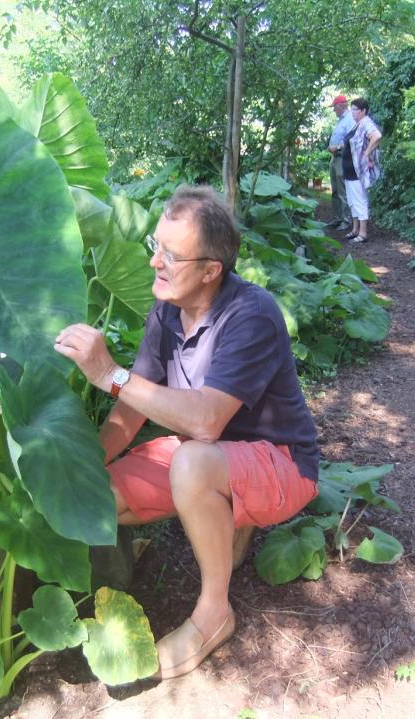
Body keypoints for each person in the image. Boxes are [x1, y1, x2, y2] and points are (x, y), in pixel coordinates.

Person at [54, 185, 320, 680]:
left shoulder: (251, 314)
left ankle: (213, 614)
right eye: (156, 246)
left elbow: (205, 421)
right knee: (101, 496)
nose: (155, 262)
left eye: (171, 255)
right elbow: (131, 412)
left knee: (193, 462)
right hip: (204, 454)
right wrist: (84, 471)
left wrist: (108, 374)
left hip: (279, 462)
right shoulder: (166, 309)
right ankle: (225, 522)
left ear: (210, 270)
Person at [341, 97, 382, 244]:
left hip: (358, 171)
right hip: (349, 171)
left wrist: (367, 154)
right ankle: (355, 229)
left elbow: (376, 136)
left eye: (355, 110)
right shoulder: (357, 125)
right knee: (352, 201)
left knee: (360, 200)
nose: (352, 112)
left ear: (364, 111)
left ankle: (363, 233)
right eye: (351, 109)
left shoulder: (366, 123)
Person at [325, 94, 356, 231]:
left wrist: (337, 147)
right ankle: (337, 218)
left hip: (342, 158)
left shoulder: (349, 119)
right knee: (335, 190)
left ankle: (347, 220)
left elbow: (352, 138)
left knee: (343, 190)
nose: (334, 111)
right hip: (335, 158)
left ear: (341, 106)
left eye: (335, 108)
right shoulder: (341, 120)